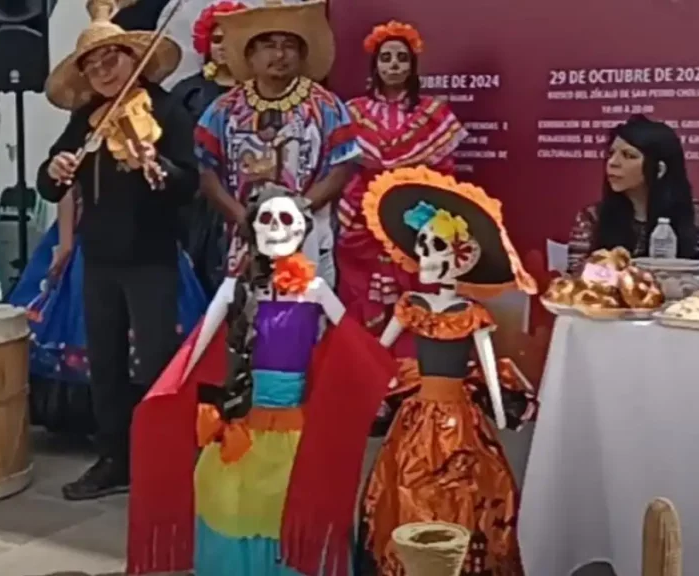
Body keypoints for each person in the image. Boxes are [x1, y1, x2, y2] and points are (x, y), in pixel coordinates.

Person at [127, 184, 395, 575]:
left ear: (302, 229)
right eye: (266, 218)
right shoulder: (234, 288)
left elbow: (352, 341)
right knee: (231, 502)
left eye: (285, 219)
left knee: (288, 505)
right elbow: (196, 349)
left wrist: (378, 383)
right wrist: (168, 394)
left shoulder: (315, 291)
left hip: (294, 428)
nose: (275, 227)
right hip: (244, 422)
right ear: (252, 228)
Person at [35, 0, 199, 501]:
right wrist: (57, 167)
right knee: (103, 363)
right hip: (98, 259)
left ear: (135, 58)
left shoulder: (166, 109)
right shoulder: (87, 118)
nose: (105, 71)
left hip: (151, 257)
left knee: (155, 361)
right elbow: (47, 183)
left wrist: (160, 171)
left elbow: (188, 181)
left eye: (113, 60)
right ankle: (114, 458)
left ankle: (166, 457)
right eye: (93, 65)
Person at [356, 166, 539, 575]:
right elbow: (377, 352)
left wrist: (498, 405)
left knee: (466, 489)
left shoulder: (471, 315)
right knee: (404, 485)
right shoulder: (411, 306)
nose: (425, 256)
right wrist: (368, 384)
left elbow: (489, 367)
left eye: (436, 246)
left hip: (460, 417)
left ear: (463, 257)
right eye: (421, 245)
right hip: (416, 414)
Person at [194, 0, 360, 288]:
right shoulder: (223, 110)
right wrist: (241, 216)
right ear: (251, 54)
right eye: (269, 45)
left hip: (309, 233)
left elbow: (341, 167)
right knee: (245, 319)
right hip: (245, 236)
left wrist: (299, 211)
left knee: (308, 318)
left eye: (289, 45)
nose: (280, 54)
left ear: (302, 54)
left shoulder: (327, 106)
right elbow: (208, 173)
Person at [336, 21, 467, 343]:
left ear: (413, 66)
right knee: (361, 289)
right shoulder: (353, 111)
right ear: (375, 65)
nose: (393, 65)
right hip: (362, 216)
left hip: (416, 214)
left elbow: (445, 172)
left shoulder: (433, 112)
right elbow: (342, 168)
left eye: (401, 58)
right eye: (386, 58)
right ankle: (365, 367)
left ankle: (409, 367)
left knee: (415, 285)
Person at [567, 114, 699, 274]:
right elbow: (575, 275)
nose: (613, 163)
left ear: (659, 169)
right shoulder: (592, 217)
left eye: (628, 155)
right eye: (611, 154)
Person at [170, 1, 245, 297]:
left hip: (244, 194)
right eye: (217, 39)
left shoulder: (259, 90)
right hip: (197, 200)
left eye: (231, 37)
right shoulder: (187, 91)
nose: (223, 46)